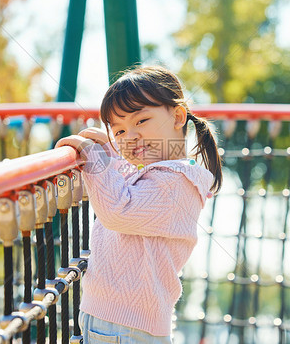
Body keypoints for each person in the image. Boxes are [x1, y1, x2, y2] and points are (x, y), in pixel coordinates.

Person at [54, 65, 222, 343]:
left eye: (141, 121)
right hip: (113, 322)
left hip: (125, 328)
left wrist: (95, 158)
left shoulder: (177, 182)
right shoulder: (154, 174)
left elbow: (118, 211)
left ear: (178, 116)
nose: (129, 137)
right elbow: (120, 180)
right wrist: (105, 153)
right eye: (118, 132)